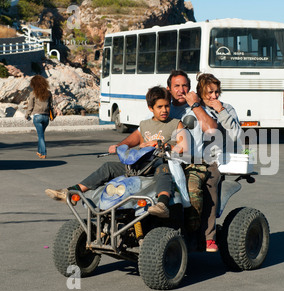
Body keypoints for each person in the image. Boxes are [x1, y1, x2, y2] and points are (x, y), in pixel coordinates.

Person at [45, 86, 188, 218]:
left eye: (167, 106)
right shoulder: (145, 125)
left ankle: (162, 204)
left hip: (160, 163)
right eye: (160, 107)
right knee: (108, 166)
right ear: (151, 108)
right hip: (140, 165)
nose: (164, 110)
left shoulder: (175, 123)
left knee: (164, 169)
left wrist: (161, 145)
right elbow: (132, 140)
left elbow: (184, 147)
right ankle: (71, 192)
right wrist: (119, 146)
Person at [166, 70, 241, 252]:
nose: (214, 96)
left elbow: (234, 134)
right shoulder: (186, 108)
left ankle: (208, 236)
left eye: (216, 92)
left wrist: (220, 110)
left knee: (208, 187)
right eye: (210, 92)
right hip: (181, 159)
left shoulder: (222, 109)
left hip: (213, 160)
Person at [25, 75, 58, 159]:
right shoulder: (48, 93)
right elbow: (51, 105)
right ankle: (39, 152)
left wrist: (27, 115)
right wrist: (53, 116)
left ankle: (43, 153)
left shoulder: (33, 93)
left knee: (40, 136)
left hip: (37, 117)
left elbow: (30, 106)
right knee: (41, 135)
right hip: (46, 117)